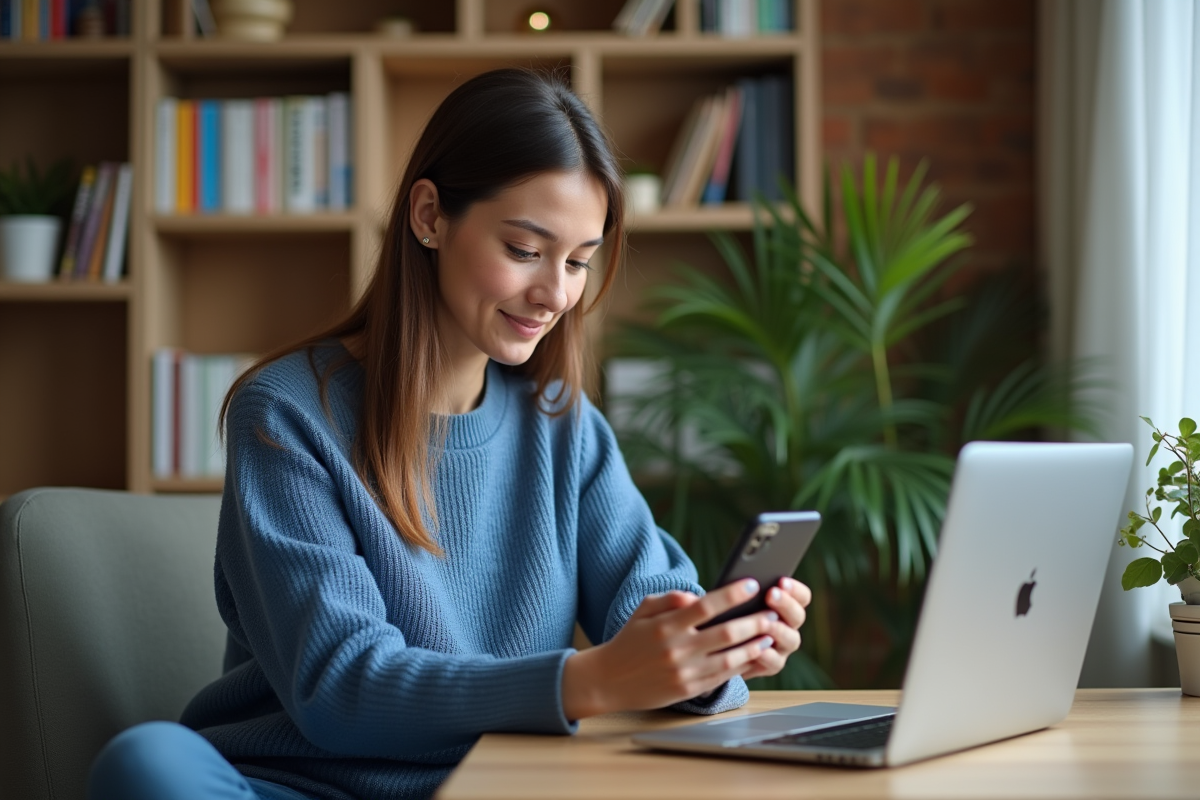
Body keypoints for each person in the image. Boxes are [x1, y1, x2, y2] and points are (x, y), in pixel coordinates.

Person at [89, 68, 812, 800]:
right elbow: (340, 688)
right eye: (526, 250)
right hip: (303, 785)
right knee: (147, 763)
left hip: (498, 786)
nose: (555, 293)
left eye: (578, 262)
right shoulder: (284, 415)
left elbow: (653, 607)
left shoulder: (563, 424)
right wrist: (589, 679)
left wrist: (716, 652)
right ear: (430, 215)